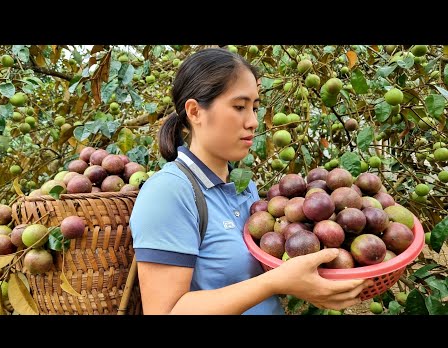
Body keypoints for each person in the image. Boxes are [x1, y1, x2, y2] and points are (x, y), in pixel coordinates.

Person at [129, 47, 373, 315]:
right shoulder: (169, 191)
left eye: (255, 108)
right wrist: (274, 282)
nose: (254, 121)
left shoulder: (245, 187)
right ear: (195, 112)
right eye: (239, 107)